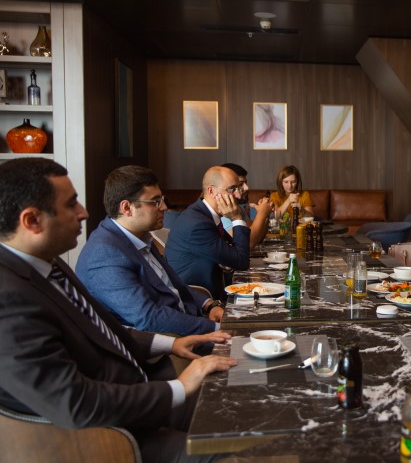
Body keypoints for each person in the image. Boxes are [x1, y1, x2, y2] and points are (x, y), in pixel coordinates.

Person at [0, 158, 236, 463]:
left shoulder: (48, 263)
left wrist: (169, 343)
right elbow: (74, 402)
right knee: (233, 451)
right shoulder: (8, 299)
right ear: (32, 220)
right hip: (111, 433)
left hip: (139, 389)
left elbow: (99, 328)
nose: (84, 212)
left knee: (235, 409)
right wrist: (179, 387)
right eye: (71, 204)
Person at [76, 166, 224, 336]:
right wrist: (216, 328)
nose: (164, 207)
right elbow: (149, 318)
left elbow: (171, 286)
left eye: (162, 199)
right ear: (127, 208)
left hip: (189, 322)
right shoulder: (104, 254)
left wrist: (208, 305)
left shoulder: (139, 235)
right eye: (155, 202)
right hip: (169, 340)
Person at [166, 165, 252, 299]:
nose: (238, 195)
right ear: (211, 191)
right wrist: (237, 218)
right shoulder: (197, 224)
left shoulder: (204, 214)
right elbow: (241, 262)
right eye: (232, 189)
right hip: (198, 300)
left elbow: (235, 251)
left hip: (215, 289)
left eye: (238, 189)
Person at [219, 162, 272, 249]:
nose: (247, 188)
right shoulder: (222, 212)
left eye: (246, 183)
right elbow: (248, 244)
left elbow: (258, 237)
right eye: (240, 184)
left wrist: (265, 213)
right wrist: (261, 214)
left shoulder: (239, 208)